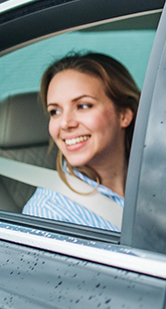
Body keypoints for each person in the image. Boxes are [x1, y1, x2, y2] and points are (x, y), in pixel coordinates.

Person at [22, 53, 140, 231]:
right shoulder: (48, 215)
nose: (66, 123)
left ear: (124, 114)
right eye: (55, 111)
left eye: (83, 106)